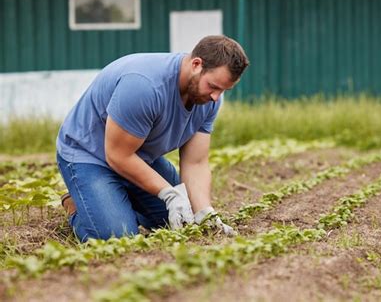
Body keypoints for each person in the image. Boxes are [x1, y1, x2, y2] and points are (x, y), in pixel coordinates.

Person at [56, 35, 249, 242]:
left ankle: (116, 202)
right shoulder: (144, 86)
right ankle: (81, 207)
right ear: (196, 64)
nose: (216, 97)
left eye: (223, 90)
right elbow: (117, 155)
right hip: (91, 156)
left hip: (139, 156)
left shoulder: (208, 100)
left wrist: (205, 213)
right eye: (213, 86)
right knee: (117, 237)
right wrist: (168, 193)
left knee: (188, 222)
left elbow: (196, 162)